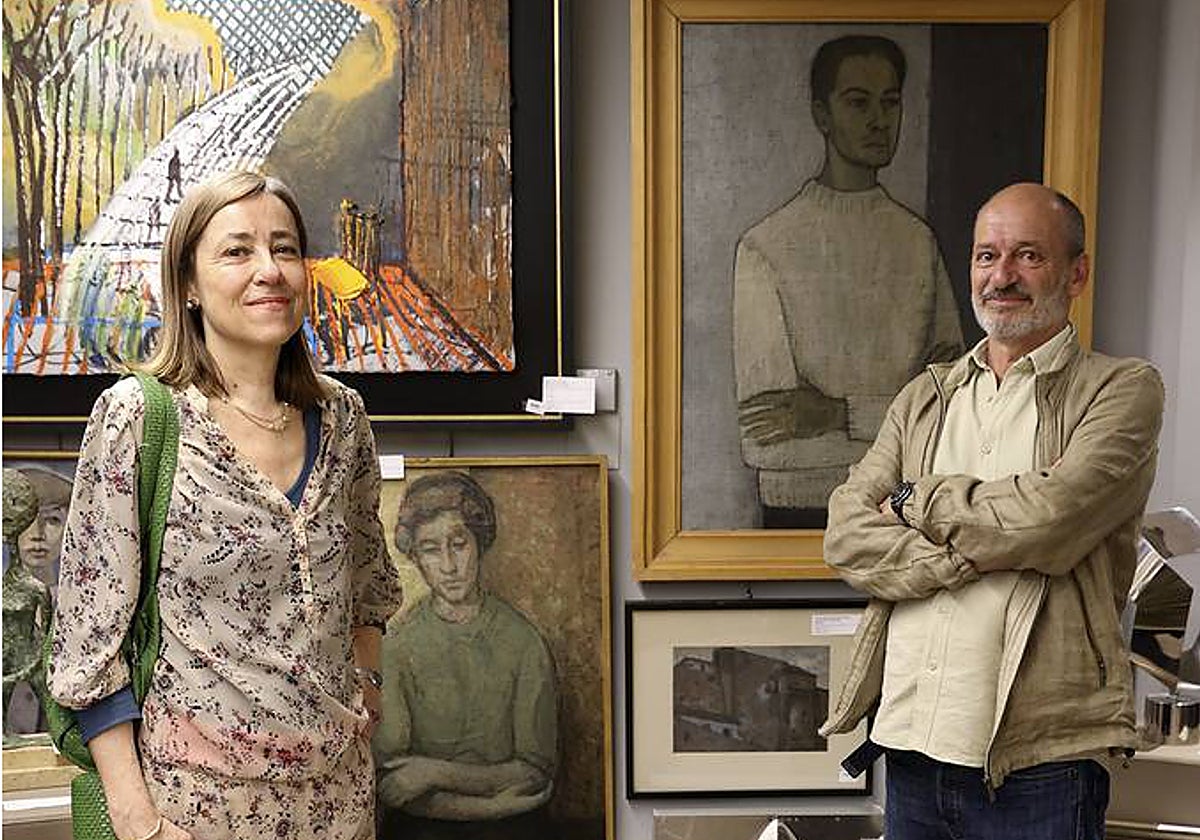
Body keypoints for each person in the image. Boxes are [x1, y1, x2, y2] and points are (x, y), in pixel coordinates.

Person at [47, 170, 404, 840]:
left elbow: (367, 586)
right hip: (196, 811)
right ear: (187, 283)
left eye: (285, 248)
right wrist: (139, 821)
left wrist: (367, 685)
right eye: (238, 251)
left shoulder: (343, 417)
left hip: (340, 806)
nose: (270, 270)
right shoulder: (138, 418)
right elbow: (89, 641)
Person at [820, 183, 1165, 839]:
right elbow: (845, 536)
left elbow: (1048, 520)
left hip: (1042, 767)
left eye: (1028, 255)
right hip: (909, 749)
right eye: (987, 255)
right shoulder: (924, 397)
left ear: (1076, 274)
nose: (1001, 276)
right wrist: (984, 550)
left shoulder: (1121, 390)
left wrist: (912, 500)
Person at [734, 34, 963, 529]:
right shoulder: (765, 246)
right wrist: (896, 416)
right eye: (858, 102)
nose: (879, 120)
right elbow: (765, 442)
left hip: (906, 507)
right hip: (797, 512)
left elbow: (950, 409)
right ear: (822, 114)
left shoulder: (918, 242)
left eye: (890, 102)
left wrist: (835, 414)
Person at [375, 471, 557, 840]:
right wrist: (495, 790)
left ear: (480, 542)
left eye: (459, 544)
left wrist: (431, 773)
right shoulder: (397, 645)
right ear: (415, 557)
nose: (448, 565)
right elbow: (393, 781)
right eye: (430, 549)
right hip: (420, 832)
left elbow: (535, 772)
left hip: (514, 829)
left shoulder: (524, 642)